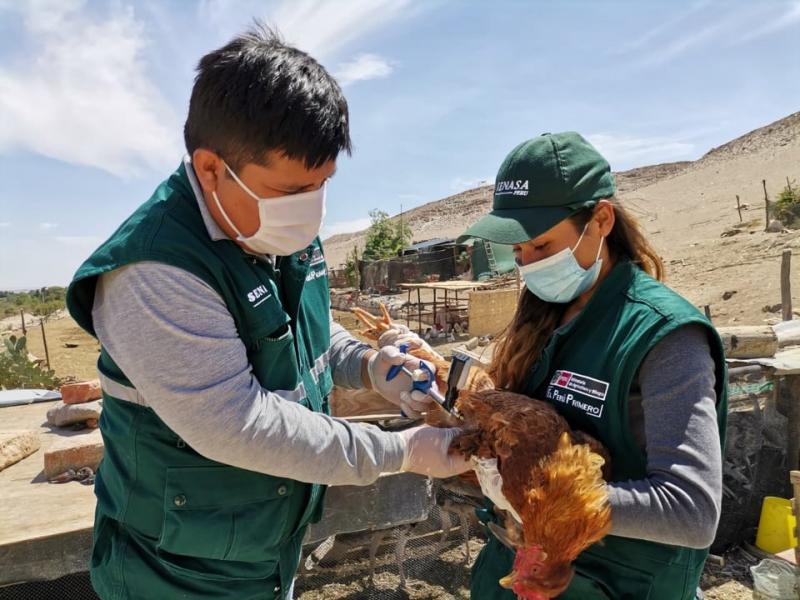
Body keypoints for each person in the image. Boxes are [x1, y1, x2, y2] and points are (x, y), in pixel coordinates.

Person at [66, 25, 469, 600]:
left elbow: (309, 335)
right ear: (211, 169)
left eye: (322, 185)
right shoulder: (155, 272)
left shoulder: (273, 224)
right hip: (179, 570)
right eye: (290, 191)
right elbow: (239, 424)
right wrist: (401, 451)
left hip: (263, 544)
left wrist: (371, 367)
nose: (310, 210)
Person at [460, 132, 727, 599]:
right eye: (517, 252)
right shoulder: (543, 314)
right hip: (518, 572)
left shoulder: (664, 336)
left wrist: (542, 499)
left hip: (615, 584)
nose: (527, 264)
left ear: (601, 219)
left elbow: (691, 511)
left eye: (541, 247)